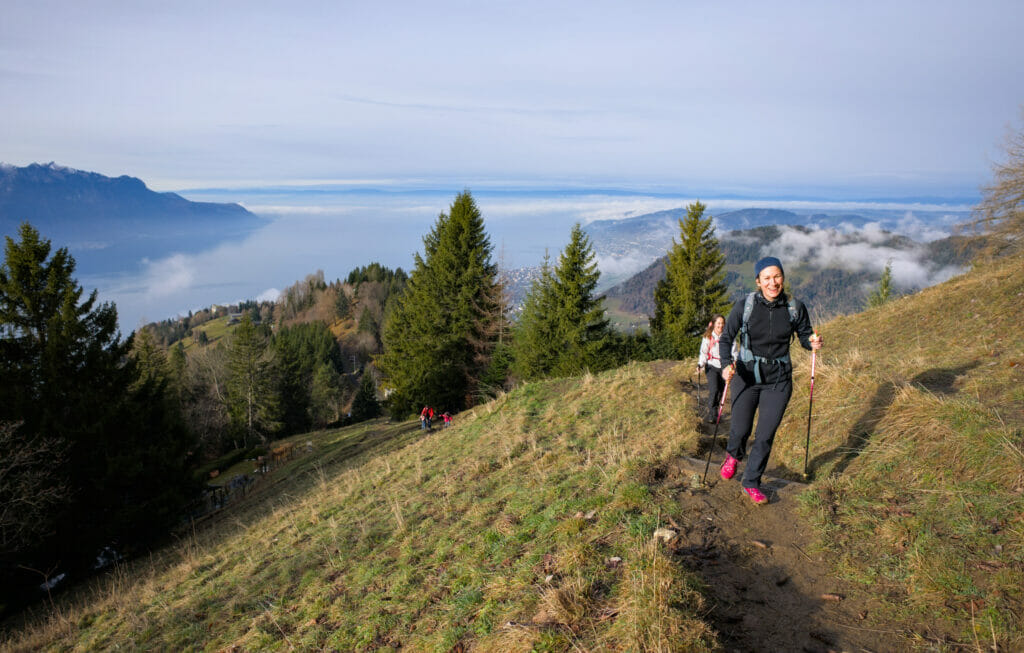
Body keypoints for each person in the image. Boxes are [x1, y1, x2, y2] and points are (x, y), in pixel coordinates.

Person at [718, 256, 823, 505]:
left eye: (777, 276)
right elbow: (726, 339)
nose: (772, 283)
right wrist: (725, 366)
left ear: (783, 278)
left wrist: (813, 343)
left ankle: (751, 481)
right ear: (758, 281)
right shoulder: (745, 305)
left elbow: (806, 336)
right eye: (766, 278)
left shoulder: (794, 308)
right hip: (745, 377)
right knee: (740, 429)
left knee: (765, 435)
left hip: (778, 381)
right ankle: (733, 455)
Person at [697, 314, 735, 423]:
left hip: (724, 367)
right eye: (718, 323)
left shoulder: (728, 337)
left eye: (722, 323)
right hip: (711, 366)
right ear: (713, 324)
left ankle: (716, 411)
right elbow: (703, 353)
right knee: (714, 390)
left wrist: (734, 362)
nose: (721, 325)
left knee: (721, 392)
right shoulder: (708, 337)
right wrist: (700, 364)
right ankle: (712, 414)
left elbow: (734, 352)